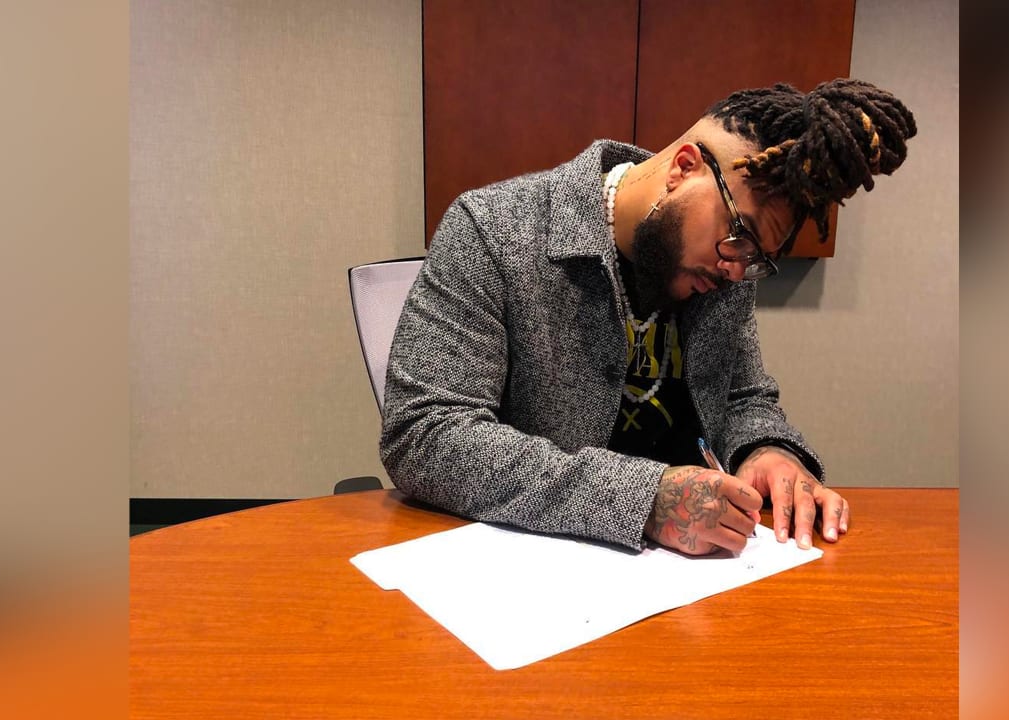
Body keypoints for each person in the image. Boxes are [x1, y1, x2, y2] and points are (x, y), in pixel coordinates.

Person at [380, 79, 917, 556]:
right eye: (739, 239)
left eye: (756, 259)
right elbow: (425, 435)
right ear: (684, 168)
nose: (737, 270)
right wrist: (645, 500)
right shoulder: (493, 229)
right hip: (543, 575)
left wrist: (767, 450)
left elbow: (743, 398)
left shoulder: (722, 265)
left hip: (700, 580)